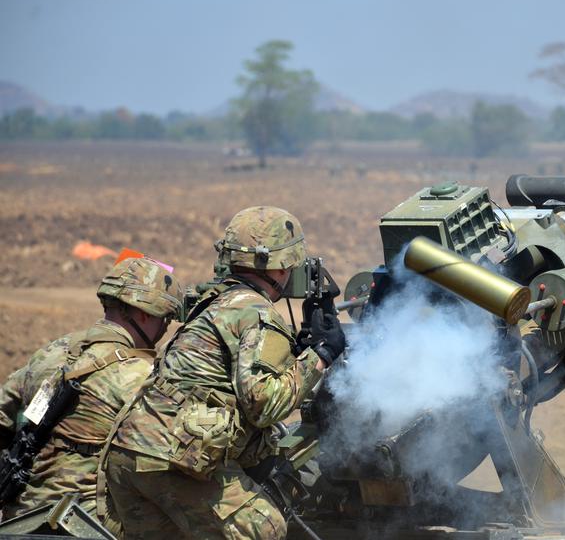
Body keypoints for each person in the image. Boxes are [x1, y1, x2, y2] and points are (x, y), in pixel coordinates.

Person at [105, 206, 346, 540]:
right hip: (176, 459)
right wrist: (320, 355)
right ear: (279, 267)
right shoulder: (255, 311)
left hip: (128, 454)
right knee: (266, 527)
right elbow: (266, 407)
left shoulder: (214, 303)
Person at [0, 256, 183, 522]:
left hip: (20, 520)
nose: (165, 329)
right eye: (165, 319)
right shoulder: (139, 375)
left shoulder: (53, 351)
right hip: (85, 523)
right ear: (144, 313)